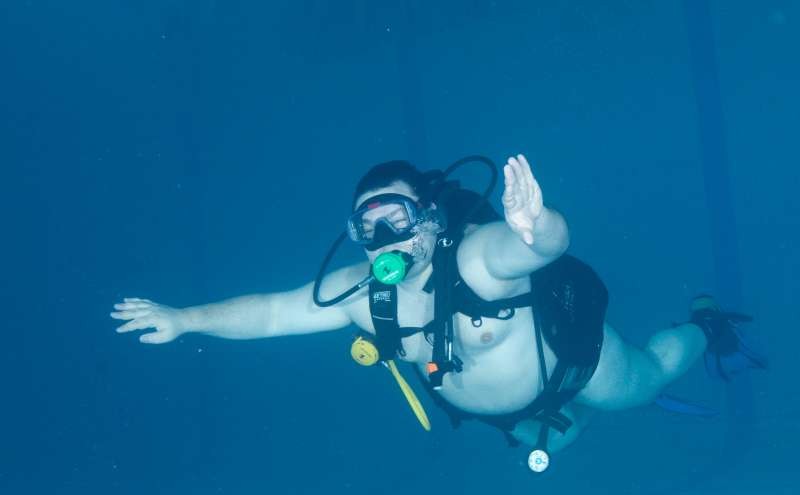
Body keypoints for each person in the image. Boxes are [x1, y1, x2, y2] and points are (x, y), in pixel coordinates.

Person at [112, 154, 764, 471]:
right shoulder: (363, 291)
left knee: (646, 378)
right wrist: (185, 319)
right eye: (368, 224)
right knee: (558, 442)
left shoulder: (478, 256)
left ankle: (705, 324)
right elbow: (272, 313)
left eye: (395, 215)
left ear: (427, 217)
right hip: (501, 417)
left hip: (575, 368)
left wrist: (538, 225)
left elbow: (537, 248)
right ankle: (573, 424)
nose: (384, 235)